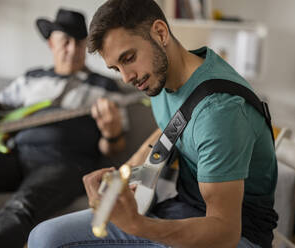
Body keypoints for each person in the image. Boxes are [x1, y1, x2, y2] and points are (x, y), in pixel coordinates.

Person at [28, 1, 278, 247]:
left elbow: (225, 233)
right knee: (43, 237)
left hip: (232, 235)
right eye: (117, 68)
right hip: (181, 211)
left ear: (160, 33)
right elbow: (175, 127)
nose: (126, 78)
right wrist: (123, 175)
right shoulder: (163, 78)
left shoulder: (219, 111)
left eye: (128, 58)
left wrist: (138, 226)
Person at [0, 8, 126, 248]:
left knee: (21, 207)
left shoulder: (105, 86)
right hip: (15, 156)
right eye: (65, 41)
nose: (72, 50)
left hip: (66, 164)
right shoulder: (31, 78)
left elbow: (114, 147)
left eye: (79, 43)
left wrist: (111, 133)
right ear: (52, 43)